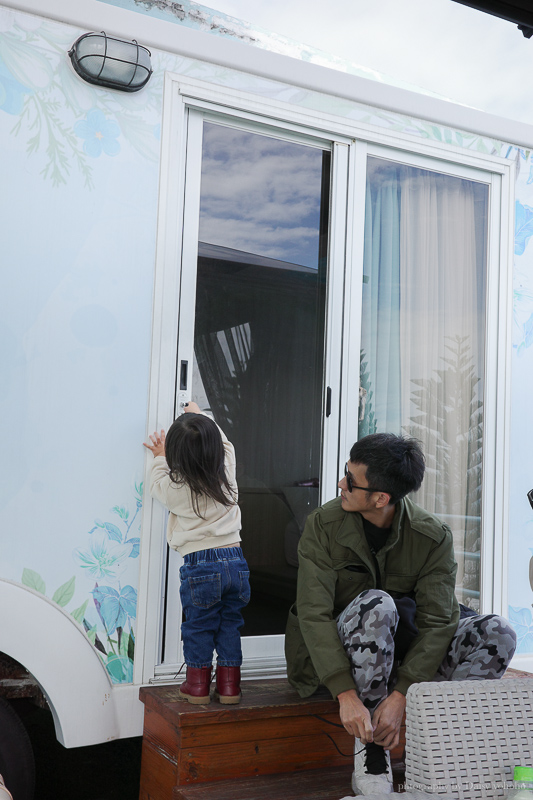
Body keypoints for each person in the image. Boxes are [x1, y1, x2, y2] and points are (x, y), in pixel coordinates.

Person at [285, 433, 517, 796]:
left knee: (499, 632)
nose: (341, 484)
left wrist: (402, 695)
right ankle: (372, 752)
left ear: (381, 498)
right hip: (339, 655)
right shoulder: (323, 525)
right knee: (377, 604)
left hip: (407, 657)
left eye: (351, 480)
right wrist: (345, 693)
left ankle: (440, 749)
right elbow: (314, 614)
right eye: (345, 472)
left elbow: (438, 621)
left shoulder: (432, 536)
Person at [144, 402, 250, 705]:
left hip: (200, 564)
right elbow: (225, 443)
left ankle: (197, 685)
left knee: (199, 626)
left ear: (177, 456)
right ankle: (229, 687)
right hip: (236, 561)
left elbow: (155, 483)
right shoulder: (226, 470)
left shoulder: (176, 488)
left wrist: (159, 455)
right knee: (230, 624)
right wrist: (200, 415)